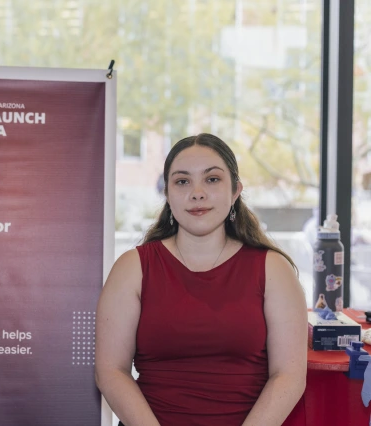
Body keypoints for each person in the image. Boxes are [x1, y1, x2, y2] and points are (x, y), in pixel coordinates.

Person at [95, 133, 307, 426]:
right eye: (182, 181)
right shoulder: (133, 267)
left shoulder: (274, 269)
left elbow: (289, 376)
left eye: (212, 179)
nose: (197, 193)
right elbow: (111, 371)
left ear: (235, 191)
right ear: (167, 194)